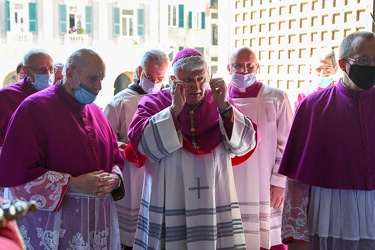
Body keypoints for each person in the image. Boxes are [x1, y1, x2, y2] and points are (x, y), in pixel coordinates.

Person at [127, 48, 258, 249]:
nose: (196, 86)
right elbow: (143, 146)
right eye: (188, 80)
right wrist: (174, 110)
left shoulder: (220, 102)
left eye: (200, 78)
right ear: (173, 79)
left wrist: (224, 109)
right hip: (169, 194)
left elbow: (246, 144)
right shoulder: (153, 102)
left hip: (214, 195)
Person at [0, 48, 125, 249]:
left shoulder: (96, 111)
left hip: (97, 219)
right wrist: (72, 183)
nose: (99, 86)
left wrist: (115, 179)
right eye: (93, 79)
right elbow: (16, 174)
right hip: (56, 224)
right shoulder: (34, 108)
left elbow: (115, 158)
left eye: (101, 78)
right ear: (69, 74)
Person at [278, 30, 375, 250]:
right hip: (330, 214)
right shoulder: (313, 107)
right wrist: (295, 237)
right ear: (342, 64)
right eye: (362, 60)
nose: (370, 66)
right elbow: (296, 182)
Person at [227, 47, 293, 250]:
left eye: (249, 65)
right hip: (230, 183)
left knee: (266, 239)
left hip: (265, 183)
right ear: (229, 68)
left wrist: (280, 182)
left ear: (258, 67)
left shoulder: (276, 97)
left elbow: (288, 143)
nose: (244, 71)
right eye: (238, 66)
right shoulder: (218, 100)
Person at [103, 49, 169, 250]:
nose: (155, 82)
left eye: (160, 77)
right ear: (139, 71)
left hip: (160, 173)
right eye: (150, 76)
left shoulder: (169, 99)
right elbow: (106, 139)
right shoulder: (120, 101)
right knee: (131, 237)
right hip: (132, 174)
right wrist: (121, 147)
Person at [0, 49, 55, 147]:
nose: (48, 74)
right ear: (26, 70)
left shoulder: (57, 95)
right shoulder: (6, 96)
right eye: (42, 70)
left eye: (51, 69)